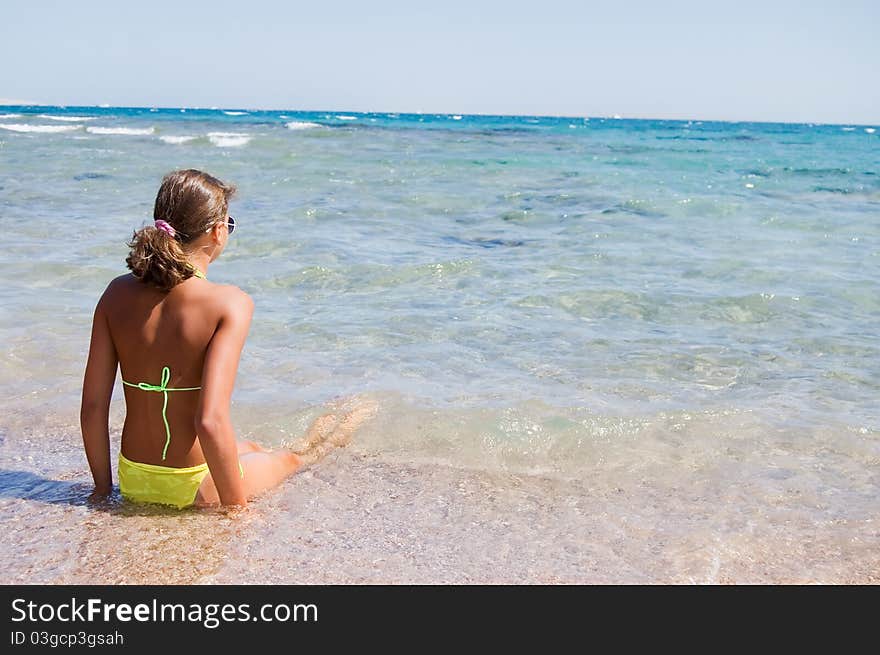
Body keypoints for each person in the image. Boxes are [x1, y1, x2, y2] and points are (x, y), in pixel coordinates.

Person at [80, 169, 373, 509]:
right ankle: (337, 429)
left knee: (251, 448)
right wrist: (236, 510)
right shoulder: (229, 303)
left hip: (134, 478)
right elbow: (209, 420)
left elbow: (93, 408)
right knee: (293, 459)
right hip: (197, 487)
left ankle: (286, 444)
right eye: (228, 224)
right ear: (218, 232)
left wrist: (103, 491)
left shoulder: (116, 293)